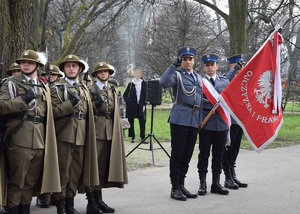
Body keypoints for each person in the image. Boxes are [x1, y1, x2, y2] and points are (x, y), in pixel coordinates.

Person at [0, 49, 61, 213]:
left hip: (40, 138)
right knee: (17, 182)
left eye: (30, 62)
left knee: (29, 183)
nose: (26, 64)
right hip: (19, 137)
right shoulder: (11, 83)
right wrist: (24, 99)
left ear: (38, 66)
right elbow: (2, 106)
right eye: (23, 62)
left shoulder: (42, 86)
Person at [51, 54, 99, 214]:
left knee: (75, 173)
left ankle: (70, 205)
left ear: (79, 69)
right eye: (68, 66)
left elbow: (87, 112)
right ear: (64, 69)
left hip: (82, 134)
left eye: (74, 66)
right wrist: (69, 104)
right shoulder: (57, 88)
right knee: (63, 172)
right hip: (64, 134)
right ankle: (61, 207)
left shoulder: (84, 88)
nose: (71, 68)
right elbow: (52, 112)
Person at [160, 47, 203, 201]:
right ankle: (174, 187)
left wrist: (200, 120)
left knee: (187, 154)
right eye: (184, 59)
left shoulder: (198, 78)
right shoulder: (177, 75)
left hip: (194, 119)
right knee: (177, 154)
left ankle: (182, 184)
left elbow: (201, 100)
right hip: (180, 118)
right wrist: (173, 66)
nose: (187, 62)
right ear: (181, 61)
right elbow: (163, 82)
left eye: (189, 59)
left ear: (194, 60)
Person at [197, 54, 242, 196]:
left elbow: (231, 77)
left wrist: (236, 69)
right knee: (204, 155)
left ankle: (216, 183)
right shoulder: (200, 82)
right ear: (204, 67)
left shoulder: (224, 81)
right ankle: (202, 183)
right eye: (207, 65)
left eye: (213, 64)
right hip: (206, 122)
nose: (210, 67)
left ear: (217, 66)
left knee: (218, 155)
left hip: (221, 124)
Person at [86, 62, 128, 213]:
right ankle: (91, 202)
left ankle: (99, 200)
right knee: (93, 167)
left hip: (110, 129)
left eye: (106, 72)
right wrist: (95, 104)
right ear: (96, 74)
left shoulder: (112, 89)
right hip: (96, 129)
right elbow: (85, 109)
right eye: (101, 72)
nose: (104, 74)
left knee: (103, 167)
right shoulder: (90, 89)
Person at [222, 54, 248, 189]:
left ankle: (233, 175)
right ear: (231, 65)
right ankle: (227, 177)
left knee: (235, 149)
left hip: (240, 121)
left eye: (241, 65)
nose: (240, 68)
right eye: (237, 65)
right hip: (230, 121)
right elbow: (224, 83)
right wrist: (234, 72)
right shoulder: (227, 79)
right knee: (228, 149)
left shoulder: (243, 81)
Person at [123, 69, 147, 143]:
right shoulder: (131, 84)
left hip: (141, 105)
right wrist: (128, 101)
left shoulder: (145, 84)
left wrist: (145, 104)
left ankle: (142, 137)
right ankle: (132, 137)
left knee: (142, 121)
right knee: (131, 121)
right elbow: (125, 94)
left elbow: (147, 95)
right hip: (132, 105)